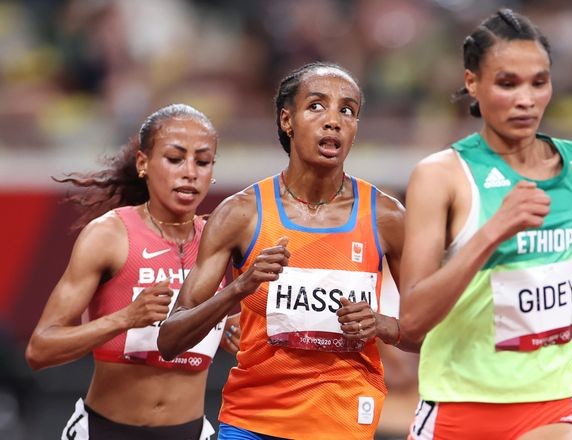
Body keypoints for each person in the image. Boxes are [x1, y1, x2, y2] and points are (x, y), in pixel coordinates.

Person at [158, 62, 420, 440]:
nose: (333, 121)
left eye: (347, 111)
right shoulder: (241, 214)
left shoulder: (387, 217)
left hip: (343, 426)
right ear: (287, 120)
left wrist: (383, 325)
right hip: (251, 424)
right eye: (316, 106)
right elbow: (169, 340)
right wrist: (239, 288)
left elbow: (435, 332)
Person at [400, 9, 572, 440]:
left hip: (554, 401)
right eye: (507, 83)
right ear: (472, 83)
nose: (526, 99)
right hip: (458, 405)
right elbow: (412, 320)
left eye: (539, 82)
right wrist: (493, 232)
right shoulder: (441, 176)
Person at [25, 103, 239, 440]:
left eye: (202, 162)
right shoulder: (108, 235)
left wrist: (226, 328)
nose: (190, 173)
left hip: (190, 432)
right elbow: (40, 350)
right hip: (106, 431)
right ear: (143, 163)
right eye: (175, 158)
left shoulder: (220, 240)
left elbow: (227, 327)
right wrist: (125, 318)